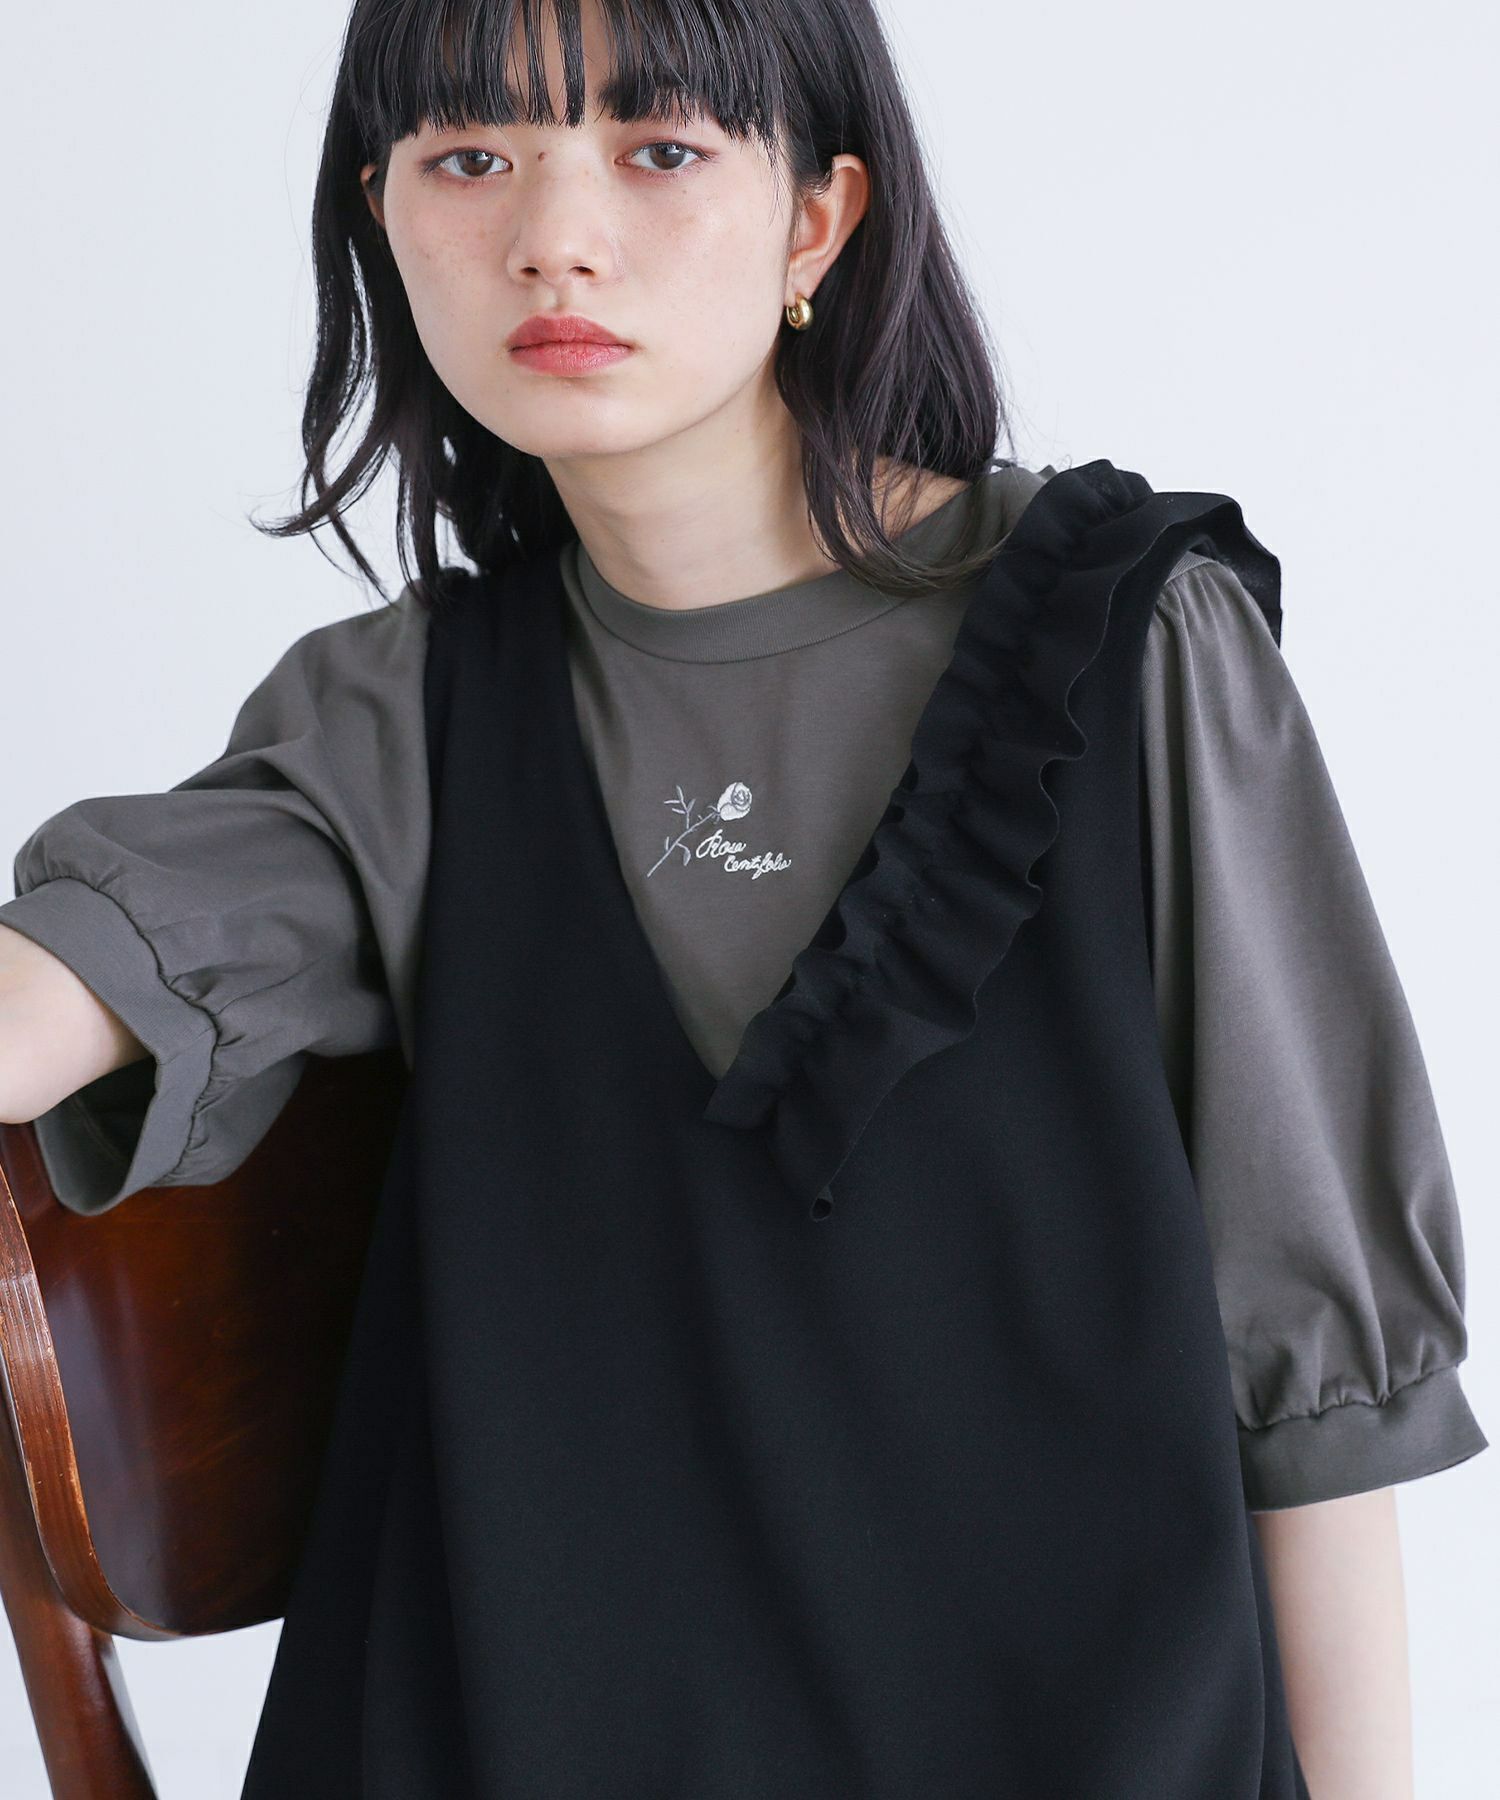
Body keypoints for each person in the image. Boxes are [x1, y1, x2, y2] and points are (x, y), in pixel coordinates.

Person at [0, 2, 1485, 1794]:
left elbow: (1318, 1387)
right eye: (468, 158)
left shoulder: (1133, 644)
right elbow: (65, 991)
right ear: (381, 218)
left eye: (660, 150)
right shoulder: (399, 718)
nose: (554, 237)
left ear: (817, 220)